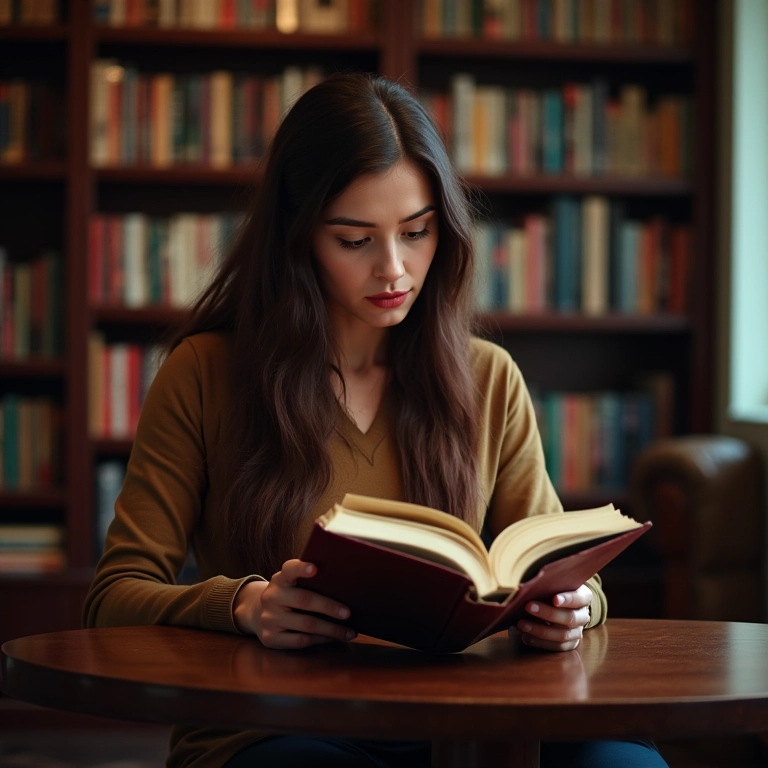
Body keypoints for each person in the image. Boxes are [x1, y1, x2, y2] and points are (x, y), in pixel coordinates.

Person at [83, 73, 668, 768]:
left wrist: (574, 611)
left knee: (623, 762)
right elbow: (112, 599)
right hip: (272, 728)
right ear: (298, 239)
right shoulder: (206, 373)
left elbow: (561, 570)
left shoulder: (488, 378)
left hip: (466, 722)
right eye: (355, 240)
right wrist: (243, 607)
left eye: (416, 232)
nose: (395, 269)